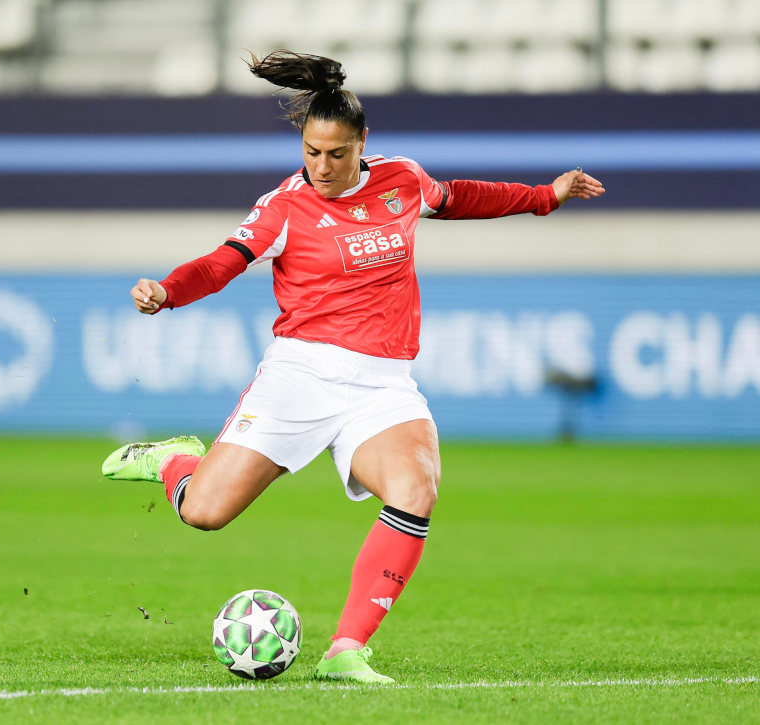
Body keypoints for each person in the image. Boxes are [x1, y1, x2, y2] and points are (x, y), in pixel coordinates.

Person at [102, 50, 604, 683]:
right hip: (300, 374)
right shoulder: (285, 206)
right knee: (205, 511)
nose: (321, 167)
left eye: (335, 154)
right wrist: (169, 291)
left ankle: (346, 650)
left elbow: (459, 198)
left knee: (415, 488)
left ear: (363, 143)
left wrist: (544, 196)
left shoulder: (401, 180)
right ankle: (174, 460)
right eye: (311, 152)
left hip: (382, 383)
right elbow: (221, 263)